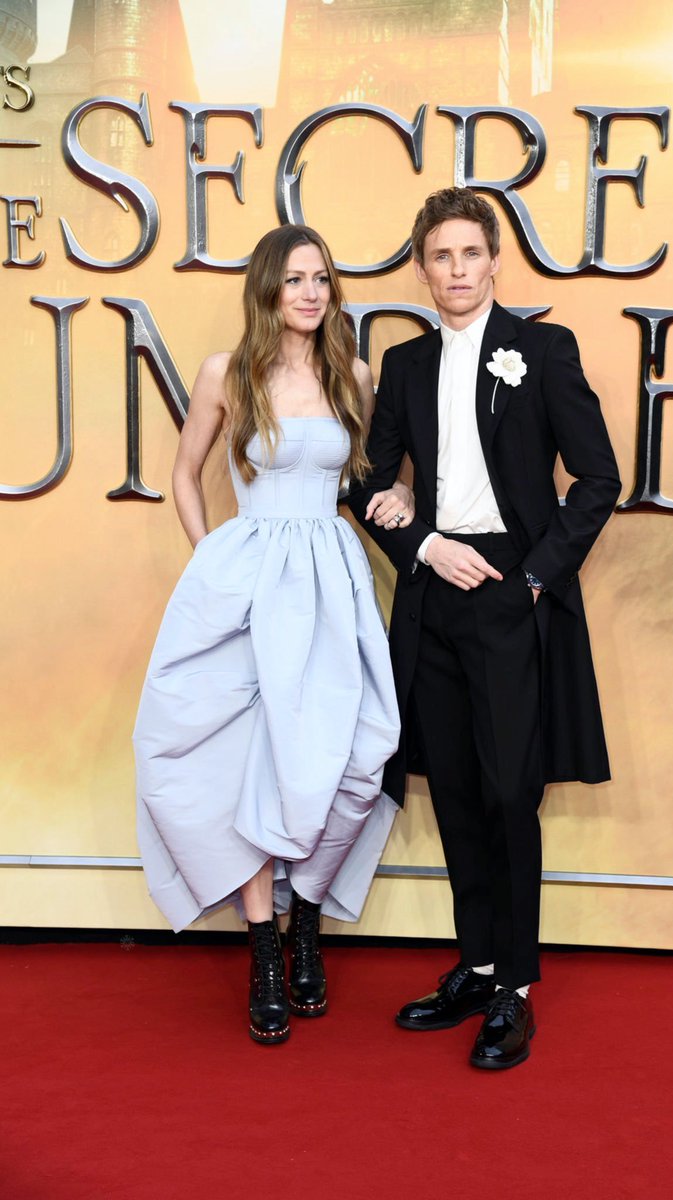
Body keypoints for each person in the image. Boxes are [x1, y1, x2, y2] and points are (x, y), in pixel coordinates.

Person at [347, 187, 621, 1071]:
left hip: (510, 589)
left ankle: (516, 989)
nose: (456, 270)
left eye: (470, 253)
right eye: (440, 256)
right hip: (433, 593)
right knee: (457, 791)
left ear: (495, 262)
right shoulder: (403, 364)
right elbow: (366, 482)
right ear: (421, 269)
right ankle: (476, 964)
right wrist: (421, 542)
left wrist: (535, 578)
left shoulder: (542, 350)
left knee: (509, 792)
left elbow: (597, 478)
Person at [134, 224, 412, 1046]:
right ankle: (264, 947)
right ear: (266, 287)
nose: (310, 292)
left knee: (349, 750)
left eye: (320, 278)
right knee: (247, 757)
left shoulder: (352, 373)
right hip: (247, 579)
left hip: (331, 580)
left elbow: (377, 474)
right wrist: (210, 561)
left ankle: (308, 924)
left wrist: (400, 494)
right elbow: (185, 473)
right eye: (294, 279)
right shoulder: (226, 372)